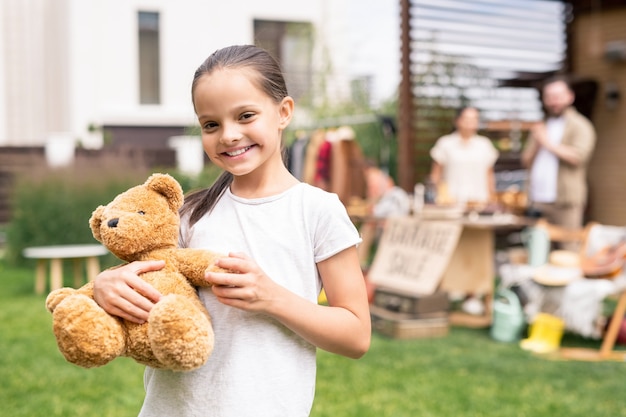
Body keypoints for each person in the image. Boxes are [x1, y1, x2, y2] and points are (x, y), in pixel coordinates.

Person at [92, 45, 371, 417]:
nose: (228, 135)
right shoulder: (190, 213)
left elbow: (356, 335)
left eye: (245, 115)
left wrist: (271, 297)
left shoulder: (317, 211)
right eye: (211, 124)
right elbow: (154, 275)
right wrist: (105, 286)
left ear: (283, 112)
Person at [521, 76, 596, 246]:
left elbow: (578, 157)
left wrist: (547, 143)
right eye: (549, 97)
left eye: (558, 96)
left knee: (568, 250)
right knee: (537, 250)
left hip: (565, 202)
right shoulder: (542, 126)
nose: (553, 101)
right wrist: (537, 144)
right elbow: (526, 161)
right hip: (537, 199)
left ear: (570, 97)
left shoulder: (580, 125)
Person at [429, 106, 499, 207]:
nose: (471, 122)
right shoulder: (445, 143)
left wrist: (492, 199)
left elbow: (489, 176)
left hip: (480, 203)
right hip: (451, 204)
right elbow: (436, 175)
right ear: (457, 120)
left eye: (475, 119)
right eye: (468, 119)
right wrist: (438, 197)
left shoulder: (485, 145)